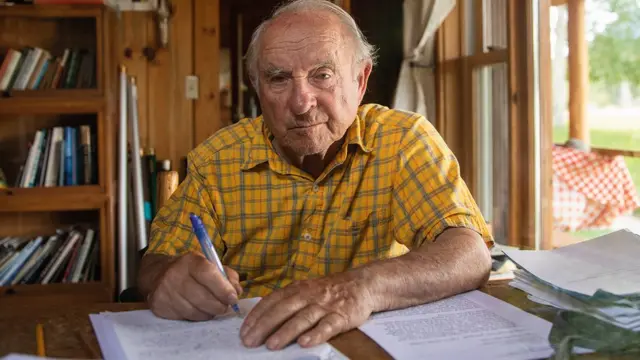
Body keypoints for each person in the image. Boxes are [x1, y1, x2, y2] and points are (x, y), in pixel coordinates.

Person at [138, 0, 493, 352]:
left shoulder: (402, 142)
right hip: (247, 345)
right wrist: (165, 280)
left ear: (360, 79)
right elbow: (156, 263)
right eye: (278, 79)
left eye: (322, 75)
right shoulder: (217, 160)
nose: (302, 103)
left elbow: (469, 254)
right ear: (257, 88)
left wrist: (359, 289)